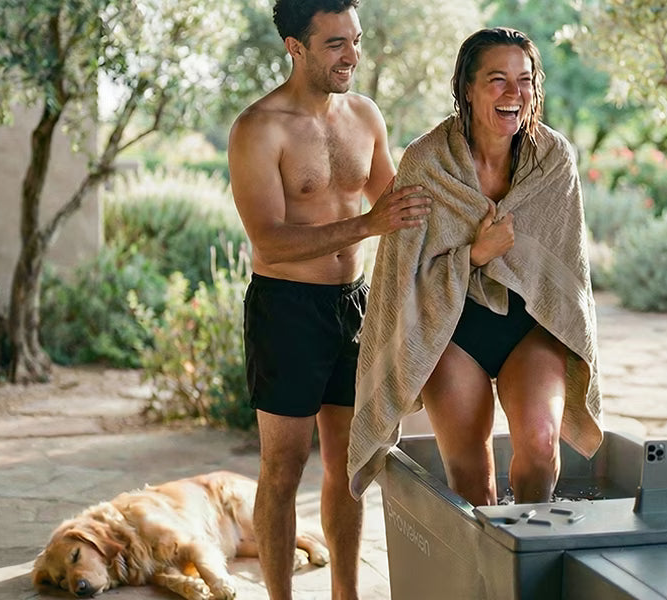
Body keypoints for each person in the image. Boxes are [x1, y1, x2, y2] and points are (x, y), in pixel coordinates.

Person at [346, 27, 604, 508]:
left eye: (524, 80)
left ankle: (529, 562)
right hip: (453, 327)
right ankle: (488, 578)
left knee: (542, 445)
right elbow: (403, 275)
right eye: (498, 80)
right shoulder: (427, 162)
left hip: (531, 325)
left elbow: (565, 273)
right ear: (467, 87)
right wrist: (475, 255)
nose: (515, 93)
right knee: (470, 475)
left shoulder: (552, 160)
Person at [226, 1, 431, 598]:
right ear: (296, 47)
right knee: (283, 469)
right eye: (336, 43)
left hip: (355, 306)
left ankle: (347, 595)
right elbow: (269, 240)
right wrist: (368, 226)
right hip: (286, 310)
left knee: (350, 467)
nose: (352, 55)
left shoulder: (364, 116)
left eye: (356, 40)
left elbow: (399, 206)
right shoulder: (259, 128)